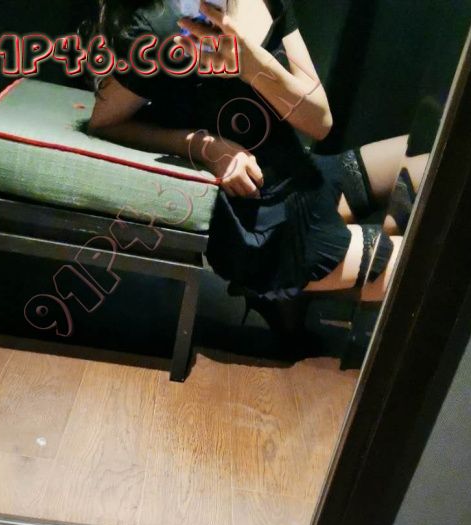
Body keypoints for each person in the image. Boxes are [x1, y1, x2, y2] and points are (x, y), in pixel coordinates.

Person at [85, 0, 413, 347]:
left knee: (432, 159)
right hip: (265, 222)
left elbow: (320, 122)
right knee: (428, 265)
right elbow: (105, 122)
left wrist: (254, 66)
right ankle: (307, 281)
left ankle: (312, 291)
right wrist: (205, 146)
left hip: (303, 175)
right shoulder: (159, 22)